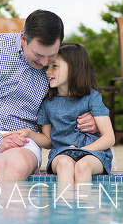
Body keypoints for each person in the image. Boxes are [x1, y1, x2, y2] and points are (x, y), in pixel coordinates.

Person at [0, 10, 99, 183]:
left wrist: (91, 118)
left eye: (51, 55)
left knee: (15, 169)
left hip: (23, 139)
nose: (44, 63)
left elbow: (80, 95)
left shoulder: (60, 64)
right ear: (23, 39)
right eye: (38, 55)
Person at [14, 42, 115, 185]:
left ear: (74, 69)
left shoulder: (92, 97)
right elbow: (49, 140)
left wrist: (82, 151)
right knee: (65, 165)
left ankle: (84, 205)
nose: (48, 71)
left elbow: (109, 138)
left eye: (54, 66)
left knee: (82, 166)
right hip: (61, 153)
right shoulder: (47, 102)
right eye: (47, 66)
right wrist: (29, 133)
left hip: (93, 153)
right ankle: (63, 206)